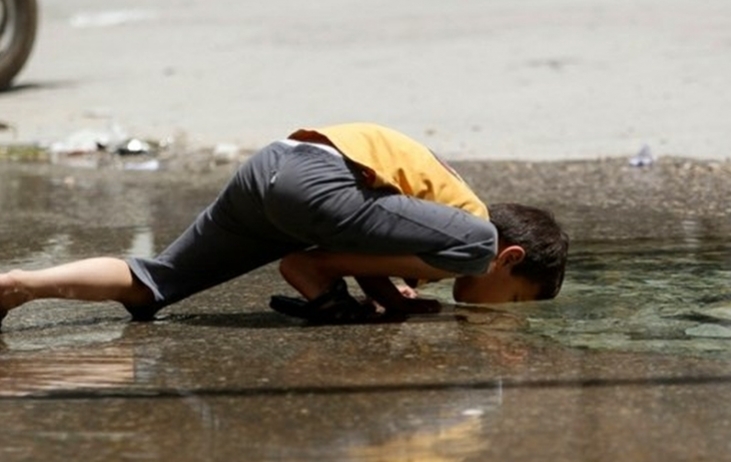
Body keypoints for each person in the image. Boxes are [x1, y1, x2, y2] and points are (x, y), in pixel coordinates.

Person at [0, 123, 569, 327]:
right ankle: (314, 274)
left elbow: (368, 227)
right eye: (515, 302)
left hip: (272, 168)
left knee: (157, 282)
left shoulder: (431, 233)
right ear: (511, 261)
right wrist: (325, 269)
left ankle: (21, 285)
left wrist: (389, 295)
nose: (500, 310)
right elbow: (352, 232)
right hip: (316, 179)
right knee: (474, 245)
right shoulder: (470, 230)